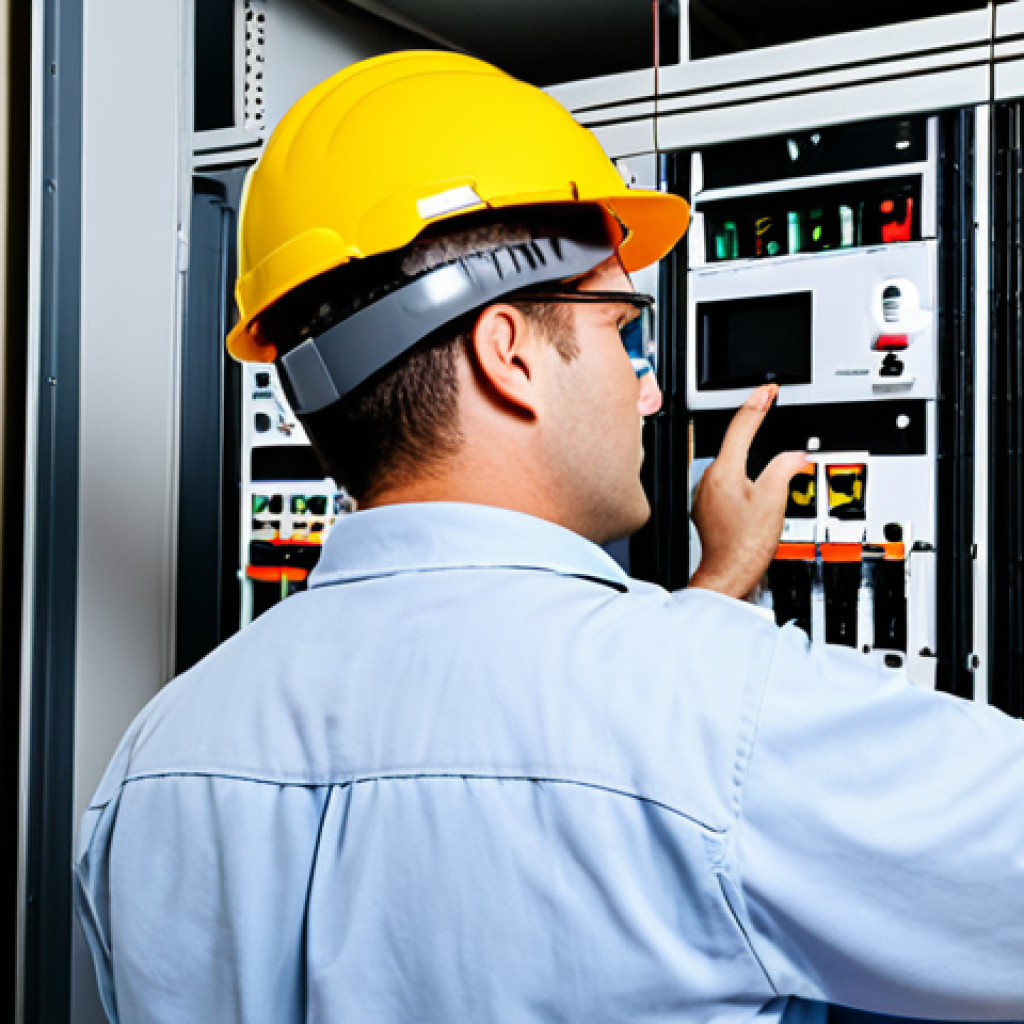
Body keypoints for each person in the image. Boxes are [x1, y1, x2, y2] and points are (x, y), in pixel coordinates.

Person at [76, 51, 1024, 1024]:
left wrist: (712, 590)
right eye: (623, 330)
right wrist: (705, 645)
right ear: (508, 354)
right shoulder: (723, 717)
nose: (651, 390)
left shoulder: (154, 763)